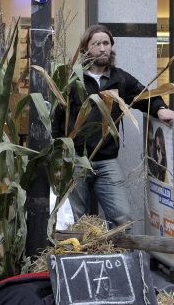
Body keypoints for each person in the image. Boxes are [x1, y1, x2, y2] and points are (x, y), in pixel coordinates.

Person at [51, 24, 174, 228]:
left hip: (106, 161)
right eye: (96, 44)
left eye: (106, 43)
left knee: (123, 219)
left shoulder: (120, 78)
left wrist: (160, 109)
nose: (102, 48)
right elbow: (56, 118)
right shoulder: (73, 79)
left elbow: (145, 96)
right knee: (73, 221)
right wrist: (58, 154)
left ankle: (121, 249)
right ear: (85, 48)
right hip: (75, 161)